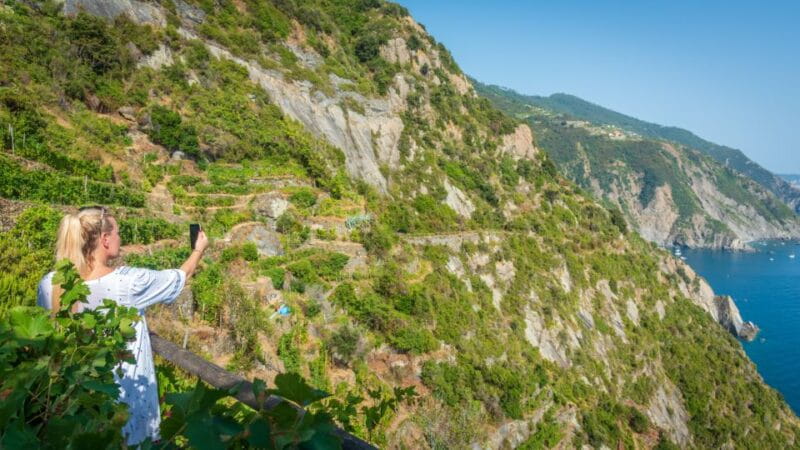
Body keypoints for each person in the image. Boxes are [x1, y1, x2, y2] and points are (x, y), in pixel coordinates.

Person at [36, 206, 209, 445]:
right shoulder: (128, 283)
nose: (121, 238)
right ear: (105, 240)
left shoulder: (49, 285)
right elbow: (177, 278)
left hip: (77, 407)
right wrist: (198, 251)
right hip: (126, 415)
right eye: (118, 232)